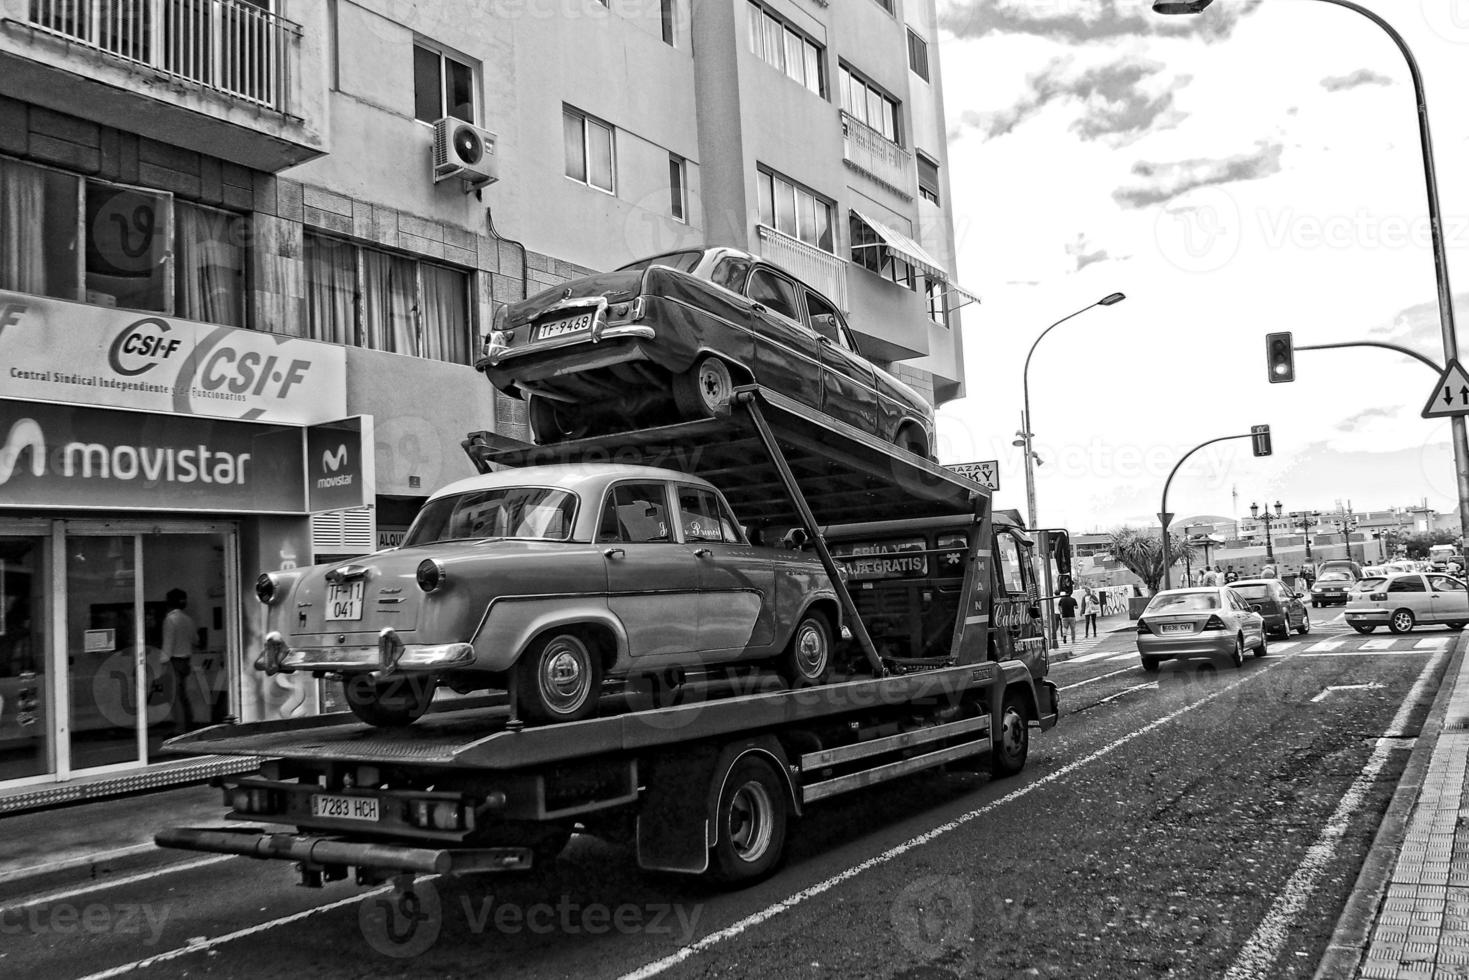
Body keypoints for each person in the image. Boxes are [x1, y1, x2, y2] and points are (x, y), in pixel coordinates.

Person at [162, 587, 200, 733]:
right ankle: (188, 724)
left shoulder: (170, 619)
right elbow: (195, 640)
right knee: (182, 695)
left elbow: (168, 643)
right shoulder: (188, 619)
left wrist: (164, 662)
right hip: (186, 662)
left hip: (173, 661)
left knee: (174, 696)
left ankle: (180, 727)